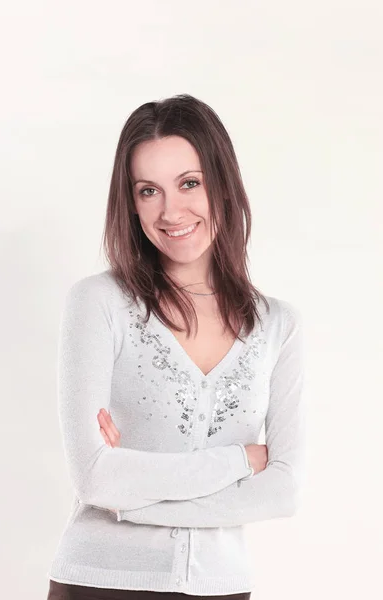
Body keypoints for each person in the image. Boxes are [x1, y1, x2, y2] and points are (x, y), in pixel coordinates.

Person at [46, 93, 306, 599]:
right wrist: (241, 462)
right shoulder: (99, 304)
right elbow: (95, 478)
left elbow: (285, 490)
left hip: (222, 587)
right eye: (148, 190)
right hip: (100, 581)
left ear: (222, 185)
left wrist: (136, 497)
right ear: (131, 201)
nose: (170, 211)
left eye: (189, 183)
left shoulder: (278, 325)